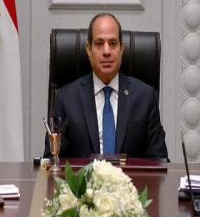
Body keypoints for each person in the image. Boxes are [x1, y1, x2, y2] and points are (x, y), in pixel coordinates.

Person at [45, 13, 168, 159]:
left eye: (113, 43)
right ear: (88, 49)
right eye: (99, 43)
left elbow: (160, 161)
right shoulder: (65, 99)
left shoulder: (145, 97)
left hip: (131, 175)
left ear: (121, 48)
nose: (107, 51)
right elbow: (51, 161)